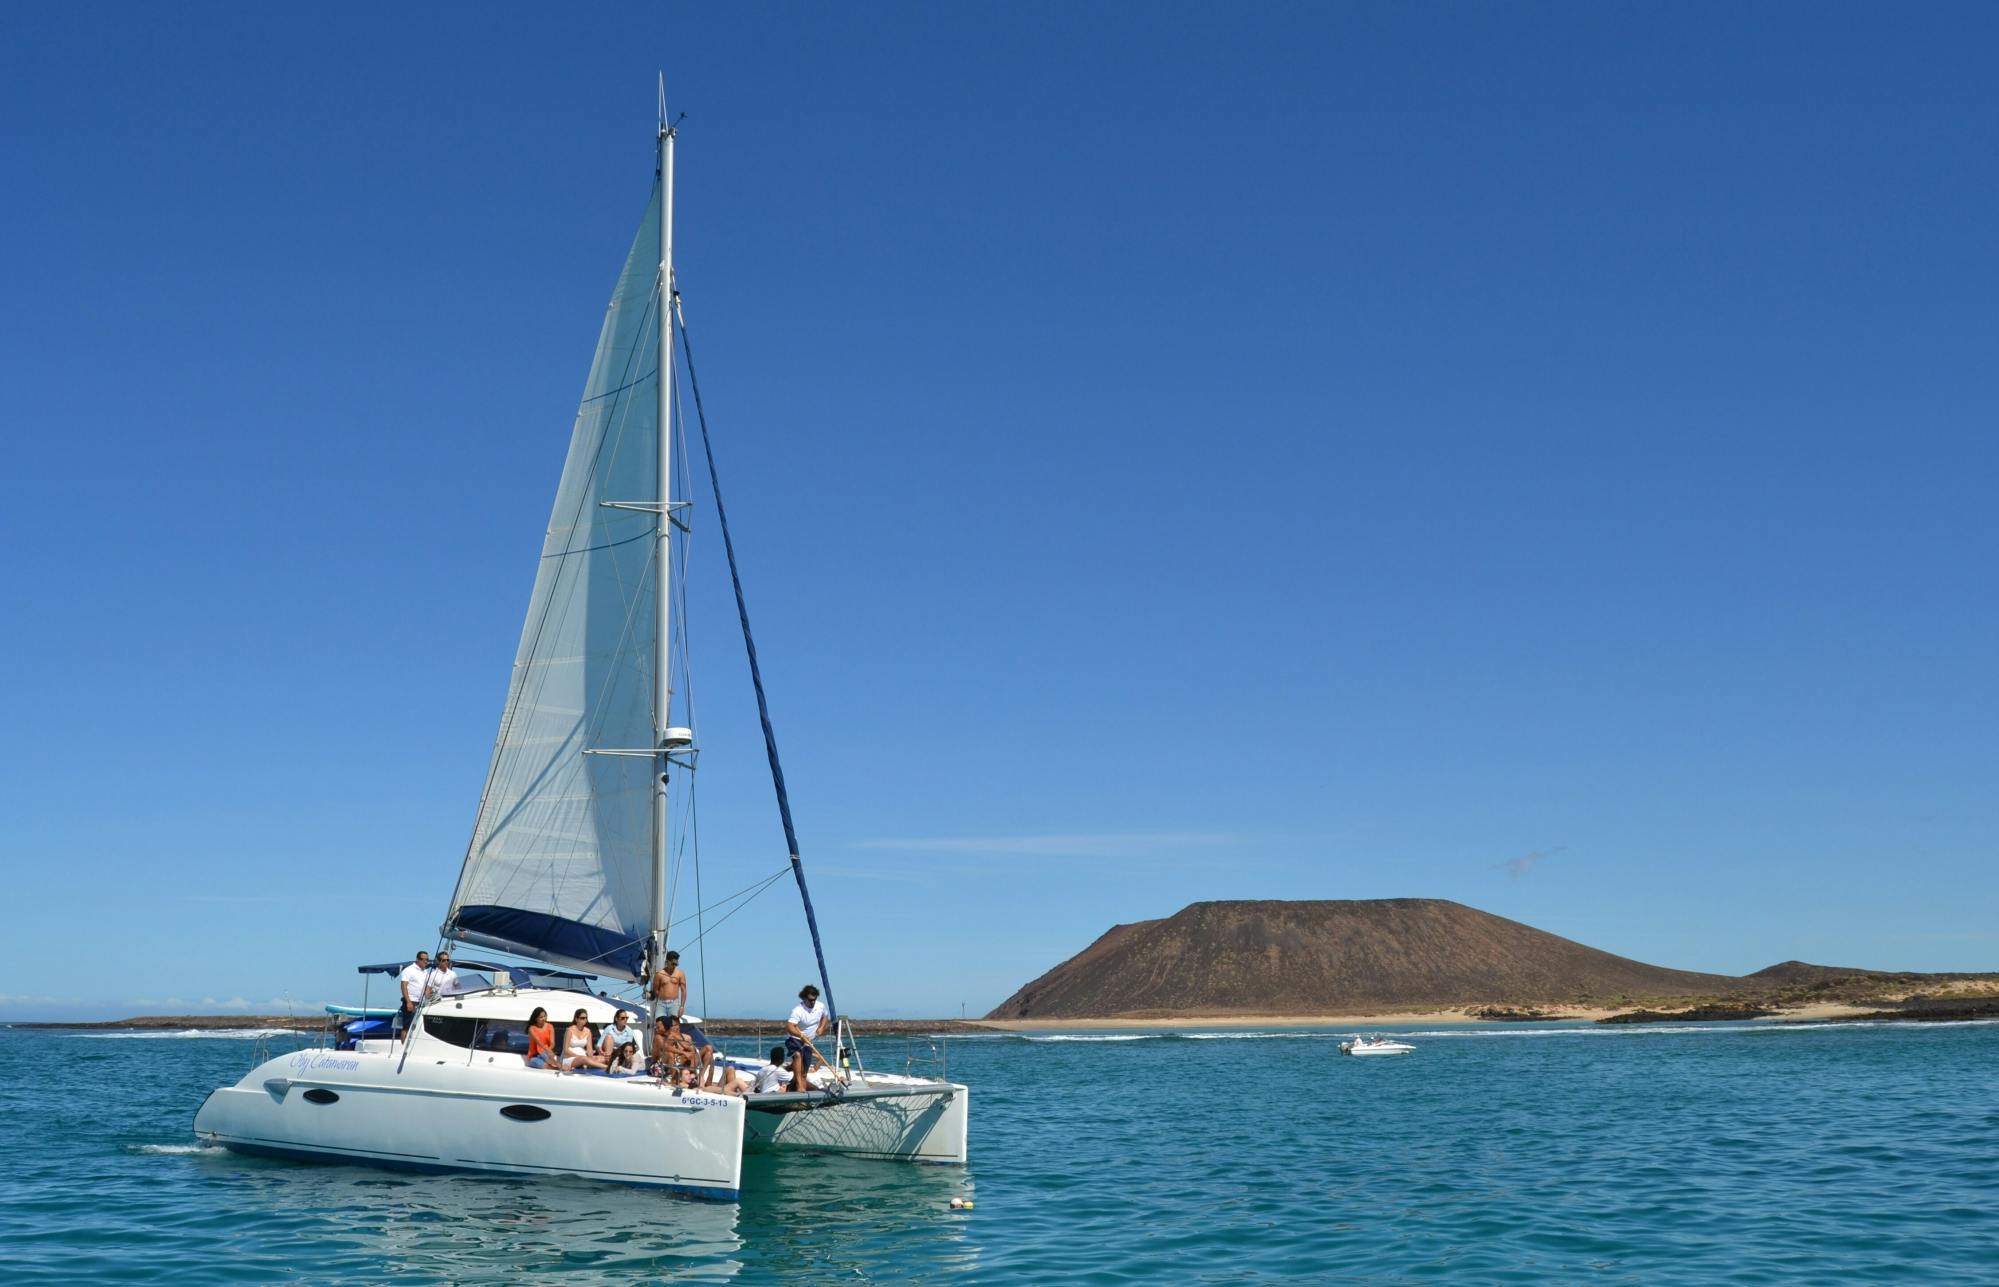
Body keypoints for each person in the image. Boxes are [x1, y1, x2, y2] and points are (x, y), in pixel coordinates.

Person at [785, 984, 830, 1092]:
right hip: (794, 1038)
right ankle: (799, 1086)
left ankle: (801, 1086)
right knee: (797, 1055)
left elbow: (825, 1016)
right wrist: (800, 1035)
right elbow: (789, 1026)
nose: (813, 1002)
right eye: (810, 1000)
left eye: (814, 999)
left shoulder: (820, 1006)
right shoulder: (797, 1010)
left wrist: (822, 1027)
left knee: (804, 1070)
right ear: (804, 998)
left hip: (808, 1041)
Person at [395, 951, 431, 1042]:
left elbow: (427, 987)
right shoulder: (409, 970)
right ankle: (403, 1047)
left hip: (422, 1002)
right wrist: (408, 1002)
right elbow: (403, 986)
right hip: (411, 1002)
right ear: (417, 959)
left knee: (418, 1027)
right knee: (407, 1027)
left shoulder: (425, 972)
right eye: (424, 960)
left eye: (427, 959)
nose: (426, 962)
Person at [648, 950, 688, 1018]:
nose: (674, 966)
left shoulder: (680, 974)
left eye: (676, 964)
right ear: (667, 962)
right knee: (660, 1027)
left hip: (674, 1004)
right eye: (673, 964)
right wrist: (662, 998)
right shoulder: (659, 974)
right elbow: (655, 989)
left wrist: (682, 1006)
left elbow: (683, 990)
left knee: (674, 1027)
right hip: (661, 1004)